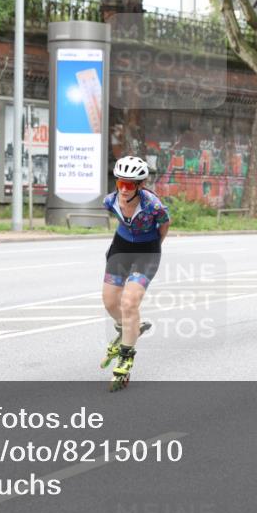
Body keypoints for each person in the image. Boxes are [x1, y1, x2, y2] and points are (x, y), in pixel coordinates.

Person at [101, 155, 170, 391]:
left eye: (129, 184)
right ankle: (131, 328)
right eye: (119, 182)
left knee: (130, 303)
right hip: (120, 248)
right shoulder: (109, 201)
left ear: (140, 186)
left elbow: (164, 226)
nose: (122, 188)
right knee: (110, 302)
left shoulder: (154, 205)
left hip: (146, 252)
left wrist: (153, 248)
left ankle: (126, 356)